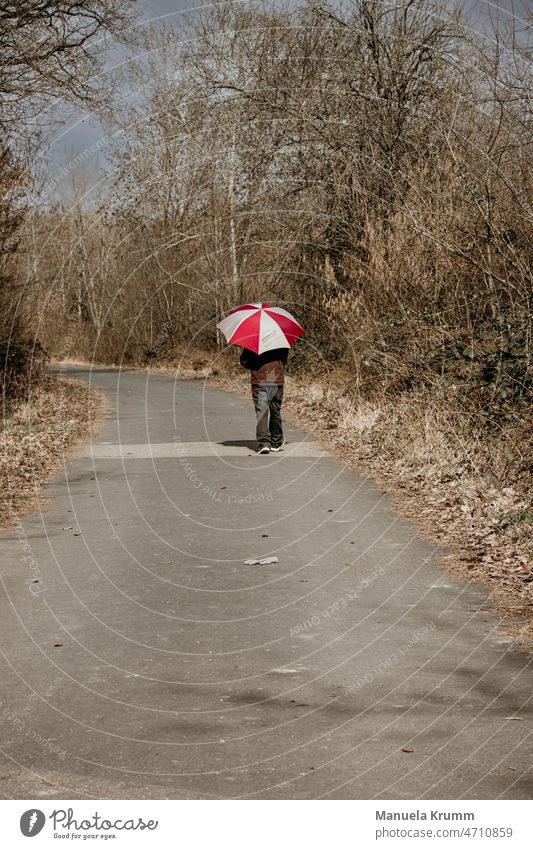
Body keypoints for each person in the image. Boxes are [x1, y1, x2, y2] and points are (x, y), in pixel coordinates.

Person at [239, 347, 288, 454]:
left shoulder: (253, 342)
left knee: (262, 412)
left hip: (259, 380)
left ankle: (264, 443)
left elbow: (245, 362)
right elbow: (284, 359)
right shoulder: (280, 341)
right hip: (276, 379)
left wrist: (255, 364)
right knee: (275, 410)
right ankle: (276, 441)